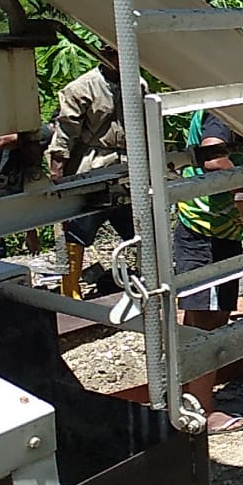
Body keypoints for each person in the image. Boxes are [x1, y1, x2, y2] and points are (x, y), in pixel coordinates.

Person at [174, 110, 243, 434]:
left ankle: (191, 399)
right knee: (208, 323)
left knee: (204, 320)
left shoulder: (229, 109)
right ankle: (203, 412)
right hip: (205, 234)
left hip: (217, 231)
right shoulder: (224, 112)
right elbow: (214, 158)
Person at [47, 45, 144, 298]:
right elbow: (65, 131)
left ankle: (150, 281)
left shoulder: (138, 84)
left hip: (129, 165)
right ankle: (70, 290)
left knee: (139, 225)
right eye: (111, 54)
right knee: (76, 229)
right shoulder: (82, 87)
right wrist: (57, 172)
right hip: (92, 165)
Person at [0, 125, 51, 263]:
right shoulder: (41, 133)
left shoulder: (38, 139)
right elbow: (2, 140)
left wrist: (30, 231)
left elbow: (28, 186)